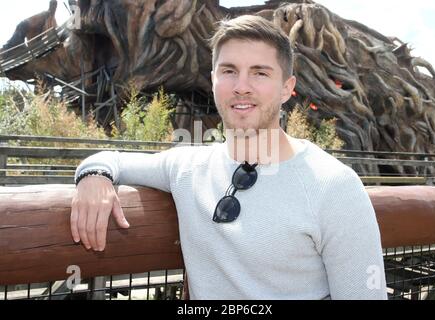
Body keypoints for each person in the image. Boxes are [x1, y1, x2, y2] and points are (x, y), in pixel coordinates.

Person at [71, 15, 387, 300]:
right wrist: (93, 177)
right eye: (229, 71)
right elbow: (111, 159)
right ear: (213, 80)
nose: (241, 87)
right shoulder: (187, 167)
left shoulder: (334, 186)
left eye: (260, 73)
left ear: (286, 88)